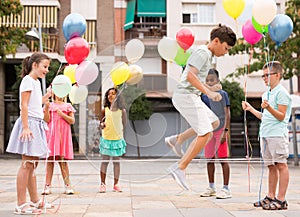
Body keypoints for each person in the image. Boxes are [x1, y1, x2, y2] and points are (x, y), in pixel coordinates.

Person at [166, 24, 237, 190]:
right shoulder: (203, 52)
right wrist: (209, 93)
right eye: (226, 48)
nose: (226, 53)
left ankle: (177, 139)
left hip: (192, 96)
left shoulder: (208, 55)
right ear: (217, 41)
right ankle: (180, 168)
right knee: (206, 133)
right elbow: (190, 77)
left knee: (214, 123)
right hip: (186, 96)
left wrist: (210, 89)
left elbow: (195, 78)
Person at [6, 53, 53, 214]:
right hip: (30, 123)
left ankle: (35, 201)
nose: (47, 70)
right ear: (35, 65)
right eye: (45, 66)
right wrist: (26, 127)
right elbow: (24, 105)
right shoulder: (27, 80)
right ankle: (21, 204)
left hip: (36, 123)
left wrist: (45, 98)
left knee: (32, 165)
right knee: (26, 165)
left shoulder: (36, 82)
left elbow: (34, 103)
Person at [242, 61, 291, 210]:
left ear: (277, 75)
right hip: (266, 134)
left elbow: (281, 116)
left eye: (266, 75)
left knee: (281, 165)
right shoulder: (267, 94)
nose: (263, 78)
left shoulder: (282, 93)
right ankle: (270, 196)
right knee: (271, 166)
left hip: (277, 135)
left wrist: (269, 106)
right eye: (262, 75)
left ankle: (281, 199)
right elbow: (265, 117)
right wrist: (251, 109)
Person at [199, 69, 231, 199]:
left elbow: (227, 113)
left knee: (223, 159)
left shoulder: (223, 94)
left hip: (221, 130)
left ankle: (226, 189)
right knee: (209, 160)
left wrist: (225, 131)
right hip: (209, 131)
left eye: (211, 80)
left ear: (217, 80)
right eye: (207, 80)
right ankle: (211, 187)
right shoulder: (204, 95)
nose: (209, 82)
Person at [42, 93, 76, 195]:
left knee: (63, 161)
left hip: (63, 135)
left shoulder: (68, 106)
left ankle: (67, 185)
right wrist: (47, 108)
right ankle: (47, 186)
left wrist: (62, 114)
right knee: (50, 161)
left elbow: (72, 120)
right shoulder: (50, 105)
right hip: (52, 134)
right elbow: (46, 119)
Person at [99, 87, 127, 193]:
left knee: (116, 162)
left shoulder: (122, 111)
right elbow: (100, 124)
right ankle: (102, 184)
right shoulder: (104, 110)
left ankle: (116, 184)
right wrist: (102, 124)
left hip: (117, 139)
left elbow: (124, 124)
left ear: (117, 97)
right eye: (109, 94)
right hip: (106, 139)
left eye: (113, 94)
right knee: (105, 162)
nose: (110, 96)